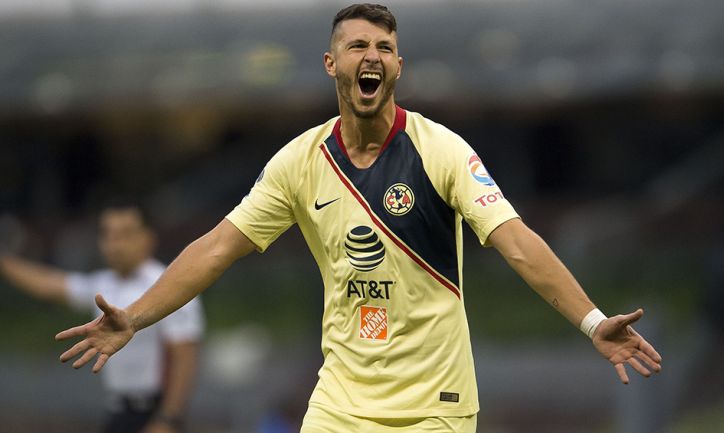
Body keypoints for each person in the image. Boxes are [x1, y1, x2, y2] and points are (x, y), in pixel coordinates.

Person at [56, 4, 661, 433]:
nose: (371, 57)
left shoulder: (441, 150)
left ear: (398, 67)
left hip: (436, 406)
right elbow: (216, 248)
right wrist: (134, 317)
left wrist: (591, 321)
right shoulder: (299, 162)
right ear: (331, 64)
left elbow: (519, 244)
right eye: (358, 46)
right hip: (341, 404)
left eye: (384, 49)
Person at [1, 201, 204, 433]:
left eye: (125, 234)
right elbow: (50, 285)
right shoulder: (103, 285)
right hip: (119, 409)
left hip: (154, 411)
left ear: (147, 237)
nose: (115, 244)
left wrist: (169, 419)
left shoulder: (170, 286)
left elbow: (185, 357)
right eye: (109, 234)